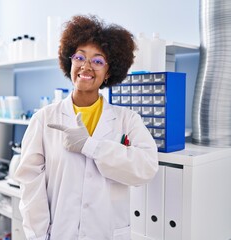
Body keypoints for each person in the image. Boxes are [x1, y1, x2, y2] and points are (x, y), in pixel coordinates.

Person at [14, 15, 158, 240]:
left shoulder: (127, 120)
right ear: (69, 62)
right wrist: (39, 236)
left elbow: (146, 168)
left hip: (108, 233)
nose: (86, 66)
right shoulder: (44, 119)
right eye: (79, 57)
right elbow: (31, 186)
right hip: (59, 233)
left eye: (98, 61)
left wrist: (91, 146)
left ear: (109, 72)